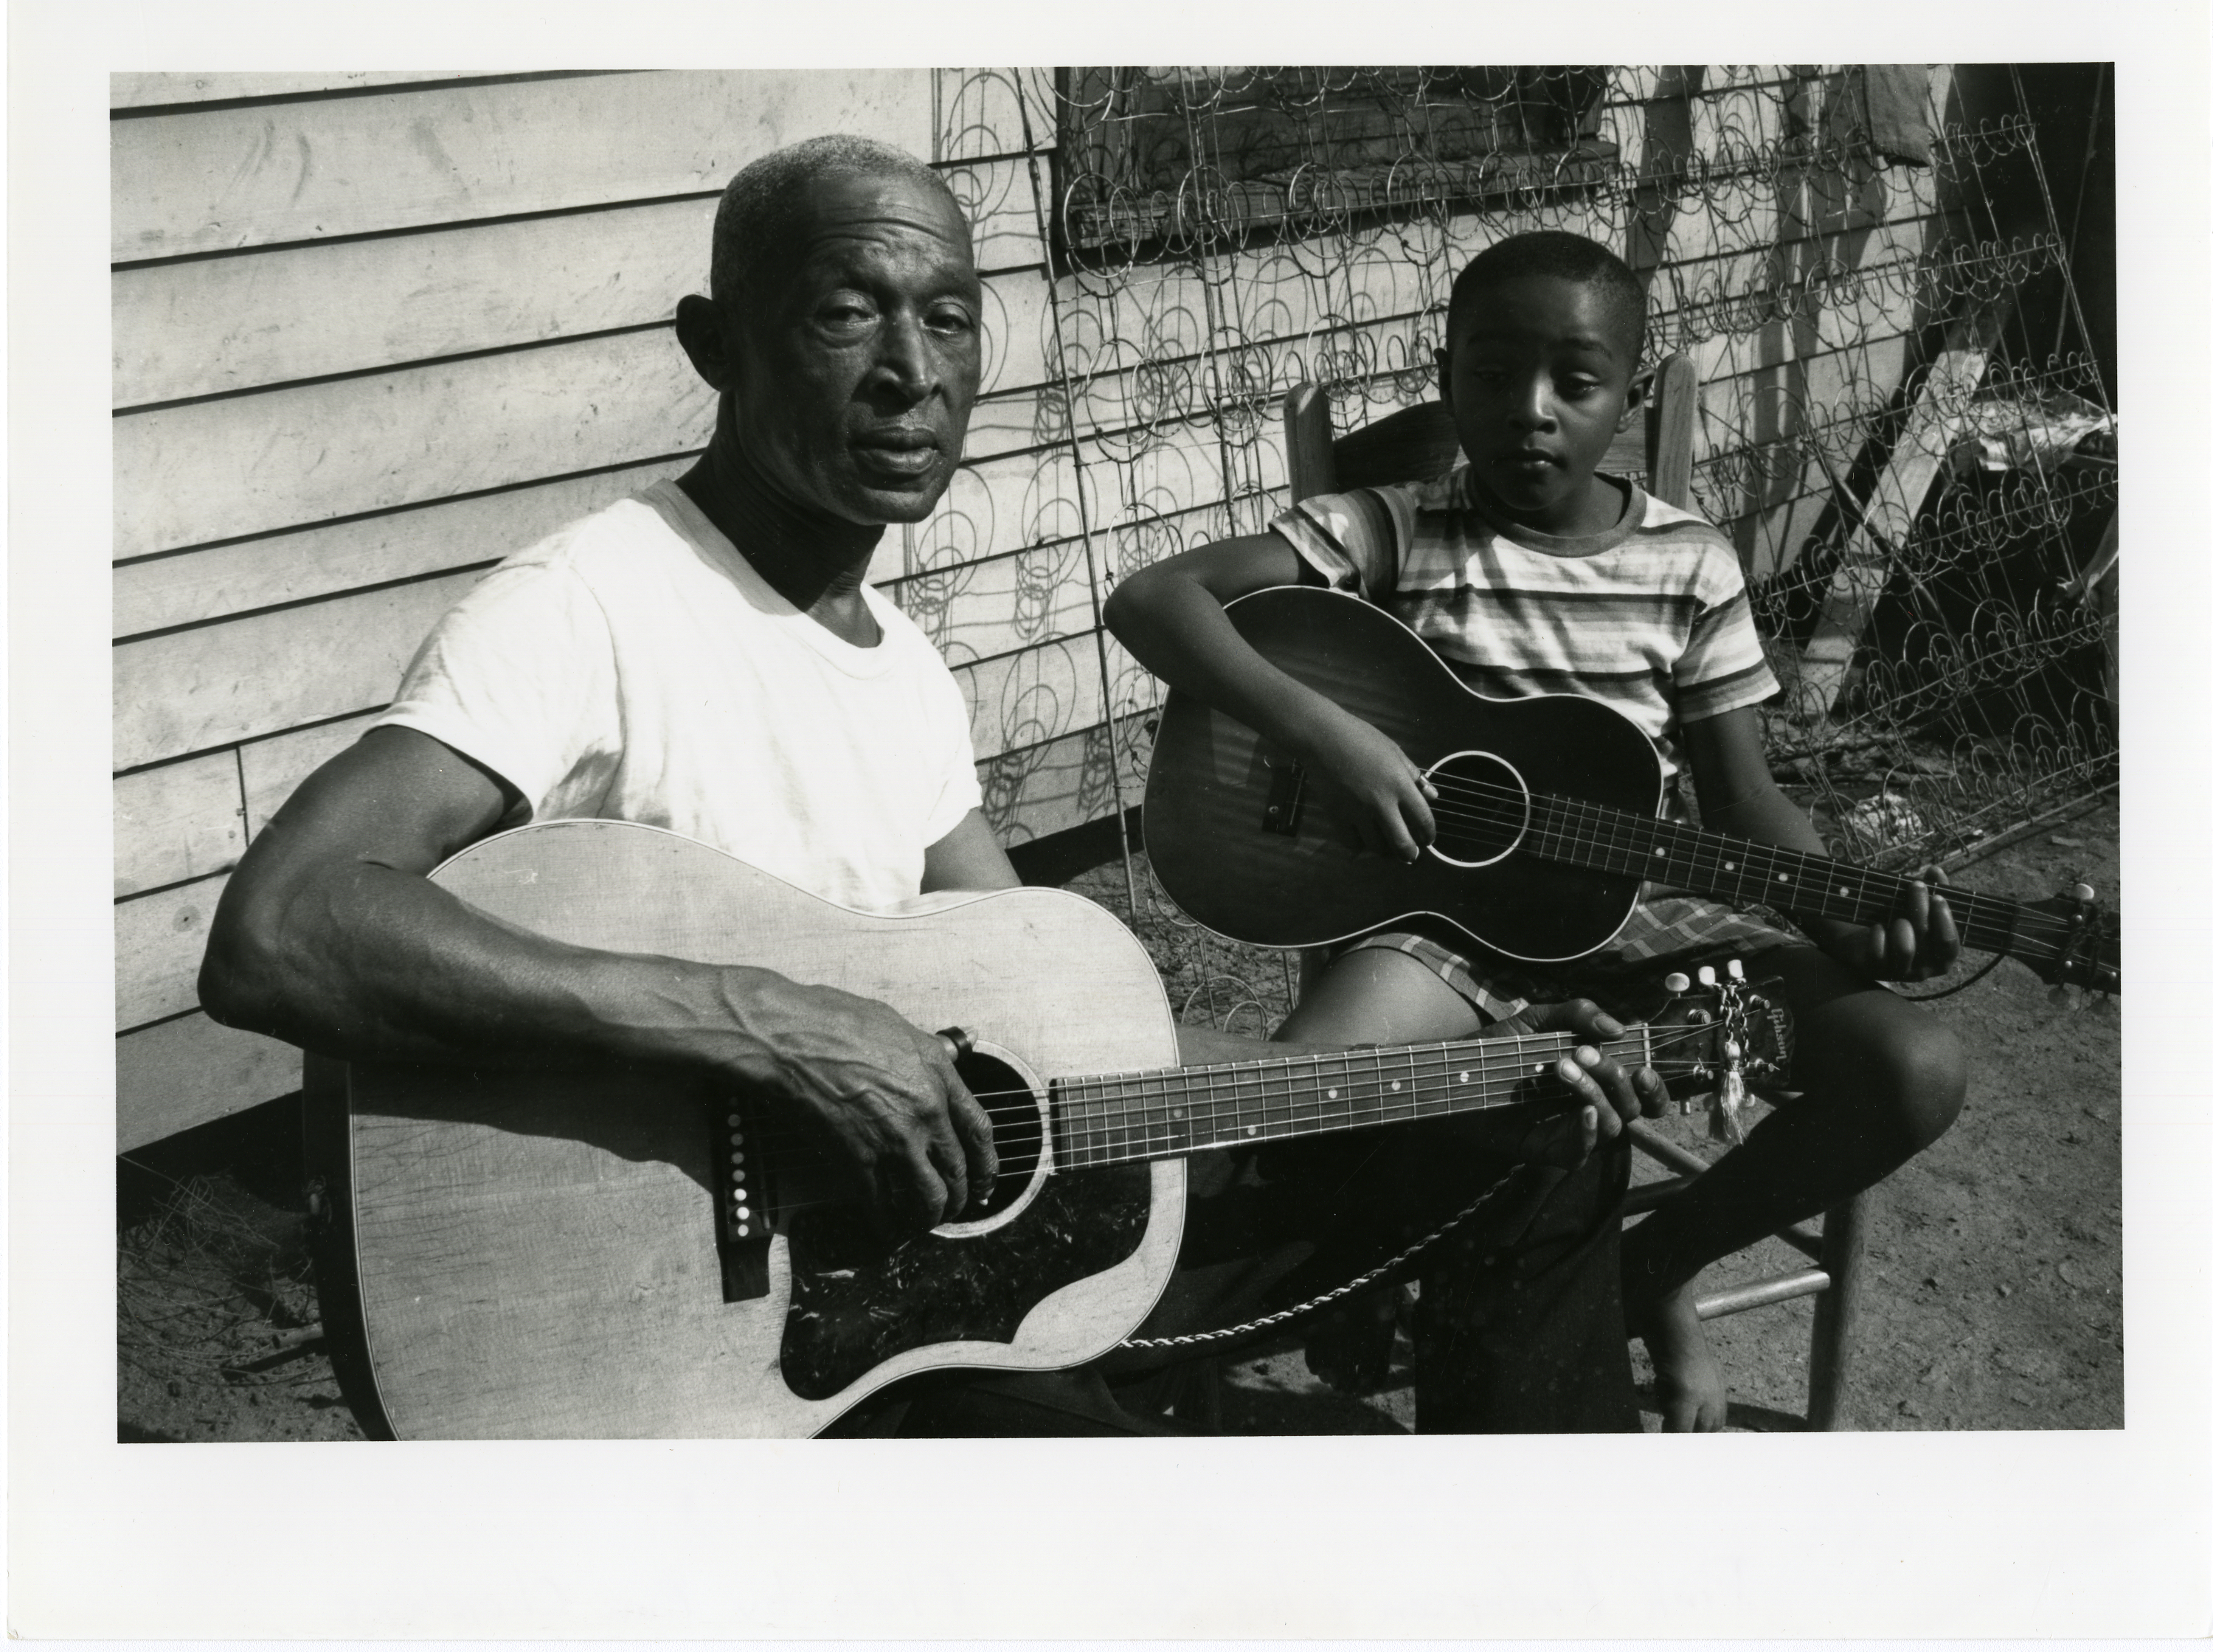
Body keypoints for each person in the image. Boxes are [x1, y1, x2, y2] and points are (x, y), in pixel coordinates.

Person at [198, 137, 1663, 1437]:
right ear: (718, 345)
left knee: (1539, 1143)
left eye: (947, 317)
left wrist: (1487, 1055)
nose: (912, 370)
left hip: (914, 1281)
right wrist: (761, 1027)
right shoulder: (591, 603)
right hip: (744, 1351)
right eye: (848, 313)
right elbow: (283, 929)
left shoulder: (900, 669)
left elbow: (1060, 1063)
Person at [1103, 229, 1968, 1431]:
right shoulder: (1391, 526)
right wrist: (1323, 735)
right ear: (1446, 370)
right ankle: (1344, 1286)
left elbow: (1745, 803)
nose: (1531, 411)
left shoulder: (1689, 562)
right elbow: (1152, 600)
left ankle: (1643, 1271)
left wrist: (1851, 920)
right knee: (1301, 1100)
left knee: (1912, 1069)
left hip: (1651, 932)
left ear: (1627, 387)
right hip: (1443, 943)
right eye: (1494, 372)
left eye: (1577, 380)